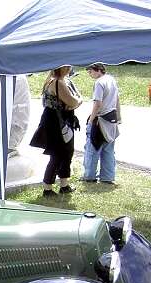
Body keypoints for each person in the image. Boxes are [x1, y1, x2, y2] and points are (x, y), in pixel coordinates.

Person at [29, 65, 82, 197]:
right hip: (56, 121)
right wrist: (76, 101)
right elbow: (74, 101)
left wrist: (75, 101)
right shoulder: (57, 82)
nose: (70, 68)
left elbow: (76, 100)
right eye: (67, 66)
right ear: (61, 68)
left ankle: (64, 185)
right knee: (58, 154)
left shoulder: (63, 80)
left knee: (67, 152)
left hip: (61, 120)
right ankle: (47, 188)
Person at [82, 63, 121, 184]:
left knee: (92, 149)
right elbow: (117, 100)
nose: (90, 74)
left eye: (90, 71)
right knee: (108, 149)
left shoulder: (99, 82)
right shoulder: (111, 79)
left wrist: (91, 120)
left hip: (100, 120)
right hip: (112, 118)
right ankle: (108, 177)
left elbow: (97, 103)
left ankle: (89, 176)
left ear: (98, 70)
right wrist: (119, 118)